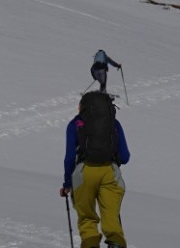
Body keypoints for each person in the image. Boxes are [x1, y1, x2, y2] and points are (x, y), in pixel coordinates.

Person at [60, 92, 130, 248]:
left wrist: (67, 184)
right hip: (109, 172)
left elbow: (69, 157)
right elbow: (125, 157)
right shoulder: (114, 124)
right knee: (111, 214)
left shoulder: (75, 124)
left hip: (84, 172)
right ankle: (116, 242)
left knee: (86, 217)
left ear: (83, 107)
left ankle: (91, 243)